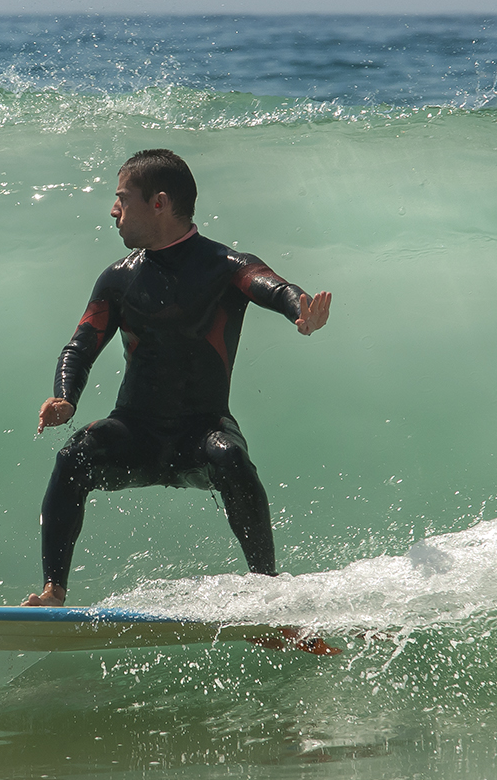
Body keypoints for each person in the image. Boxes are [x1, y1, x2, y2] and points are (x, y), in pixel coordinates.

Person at [24, 149, 331, 607]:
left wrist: (300, 312)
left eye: (122, 199)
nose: (114, 211)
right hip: (136, 431)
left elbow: (276, 288)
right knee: (74, 457)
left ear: (159, 203)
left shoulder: (226, 266)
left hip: (202, 431)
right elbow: (81, 346)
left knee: (230, 460)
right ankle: (53, 591)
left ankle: (269, 594)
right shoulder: (117, 280)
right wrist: (65, 397)